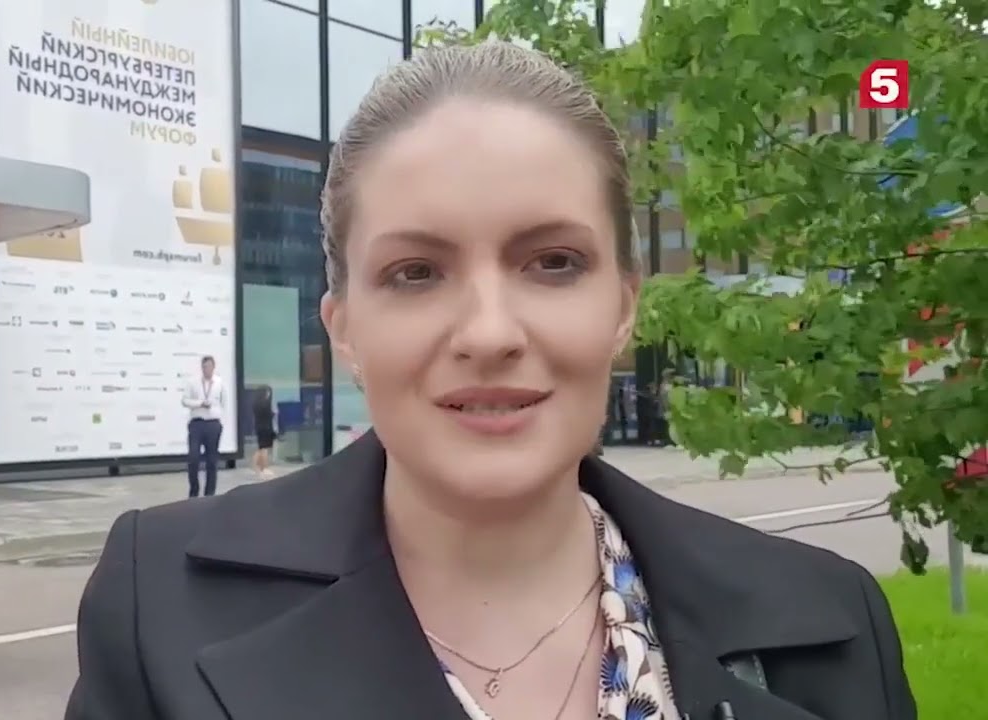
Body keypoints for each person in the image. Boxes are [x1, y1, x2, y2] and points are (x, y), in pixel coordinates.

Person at [66, 43, 916, 720]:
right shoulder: (160, 603)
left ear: (623, 307)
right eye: (415, 272)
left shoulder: (830, 622)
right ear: (345, 327)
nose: (489, 333)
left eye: (553, 262)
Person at [180, 355, 225, 498]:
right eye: (205, 367)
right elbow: (185, 400)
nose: (207, 369)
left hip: (213, 424)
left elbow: (224, 403)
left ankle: (210, 494)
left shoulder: (219, 383)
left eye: (210, 367)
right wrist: (200, 403)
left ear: (214, 367)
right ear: (202, 368)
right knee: (193, 458)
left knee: (212, 460)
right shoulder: (193, 382)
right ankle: (194, 491)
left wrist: (219, 417)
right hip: (197, 423)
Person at [250, 384, 277, 479]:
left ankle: (256, 467)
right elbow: (269, 414)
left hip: (259, 427)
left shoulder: (256, 403)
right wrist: (274, 413)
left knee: (261, 449)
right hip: (266, 427)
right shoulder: (265, 404)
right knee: (264, 449)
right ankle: (264, 468)